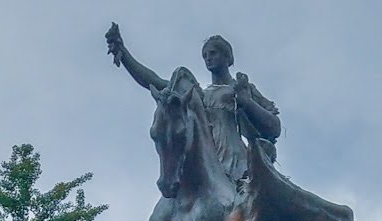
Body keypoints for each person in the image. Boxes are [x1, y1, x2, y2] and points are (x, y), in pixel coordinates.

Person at [106, 23, 282, 184]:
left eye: (213, 53)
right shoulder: (199, 95)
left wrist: (246, 101)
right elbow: (153, 81)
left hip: (237, 161)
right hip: (207, 162)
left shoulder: (242, 88)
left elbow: (274, 127)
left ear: (228, 58)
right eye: (205, 55)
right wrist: (124, 53)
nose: (208, 58)